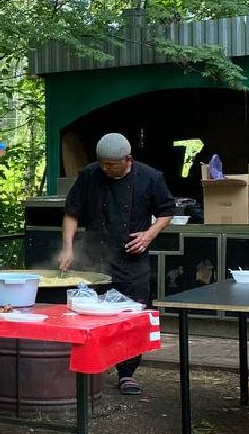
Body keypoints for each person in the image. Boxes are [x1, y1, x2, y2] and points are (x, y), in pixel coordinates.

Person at [57, 132, 174, 396]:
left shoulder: (150, 177)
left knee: (130, 317)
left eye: (111, 164)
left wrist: (149, 234)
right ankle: (88, 369)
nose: (105, 169)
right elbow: (72, 212)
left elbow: (167, 211)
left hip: (131, 260)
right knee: (86, 314)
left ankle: (127, 373)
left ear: (127, 159)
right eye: (102, 163)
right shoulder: (89, 175)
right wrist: (67, 247)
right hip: (94, 257)